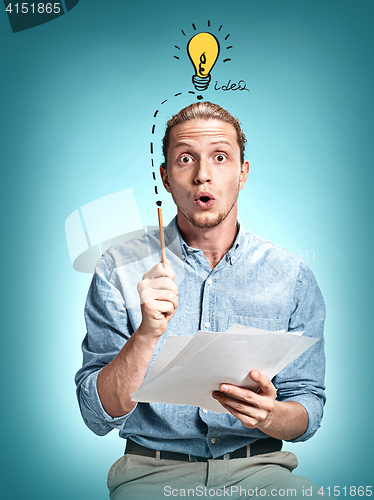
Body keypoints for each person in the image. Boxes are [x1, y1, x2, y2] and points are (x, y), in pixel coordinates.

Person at [75, 102, 326, 499]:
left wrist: (272, 416)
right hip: (150, 475)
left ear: (243, 173)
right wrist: (147, 334)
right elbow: (96, 414)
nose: (202, 175)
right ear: (166, 178)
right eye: (185, 159)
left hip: (259, 472)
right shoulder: (117, 269)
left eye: (220, 157)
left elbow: (308, 406)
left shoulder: (292, 276)